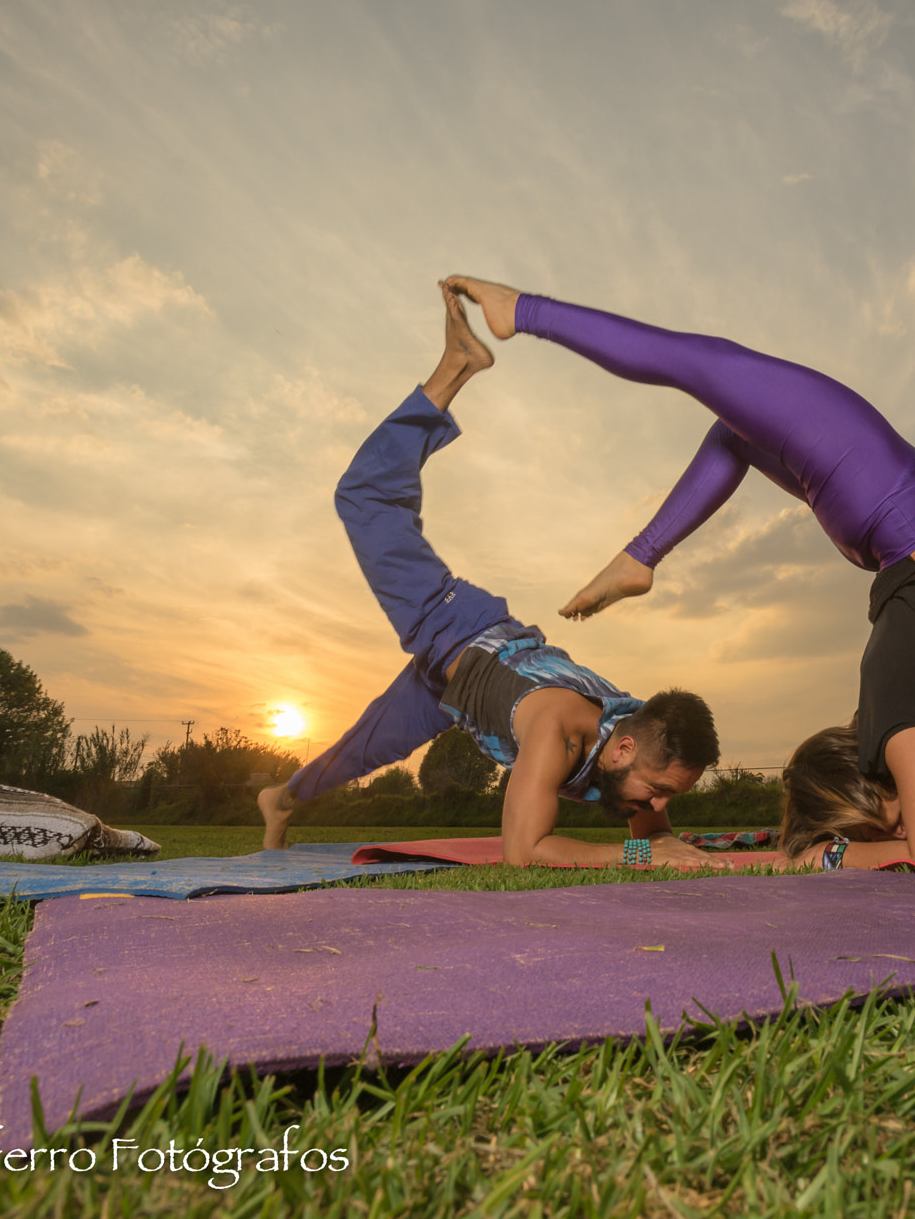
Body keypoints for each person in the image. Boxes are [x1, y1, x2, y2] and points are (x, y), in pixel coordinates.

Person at [442, 275, 915, 873]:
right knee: (710, 381)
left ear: (871, 778)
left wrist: (831, 855)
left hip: (901, 541)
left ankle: (525, 314)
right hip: (904, 538)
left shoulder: (906, 721)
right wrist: (840, 853)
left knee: (707, 380)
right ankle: (638, 553)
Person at [257, 288, 727, 869]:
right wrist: (644, 856)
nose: (656, 805)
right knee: (365, 496)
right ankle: (454, 365)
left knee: (361, 750)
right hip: (457, 630)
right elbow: (523, 853)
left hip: (451, 691)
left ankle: (279, 800)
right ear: (623, 748)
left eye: (666, 797)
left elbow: (654, 834)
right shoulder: (560, 731)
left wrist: (667, 842)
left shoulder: (633, 750)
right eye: (659, 792)